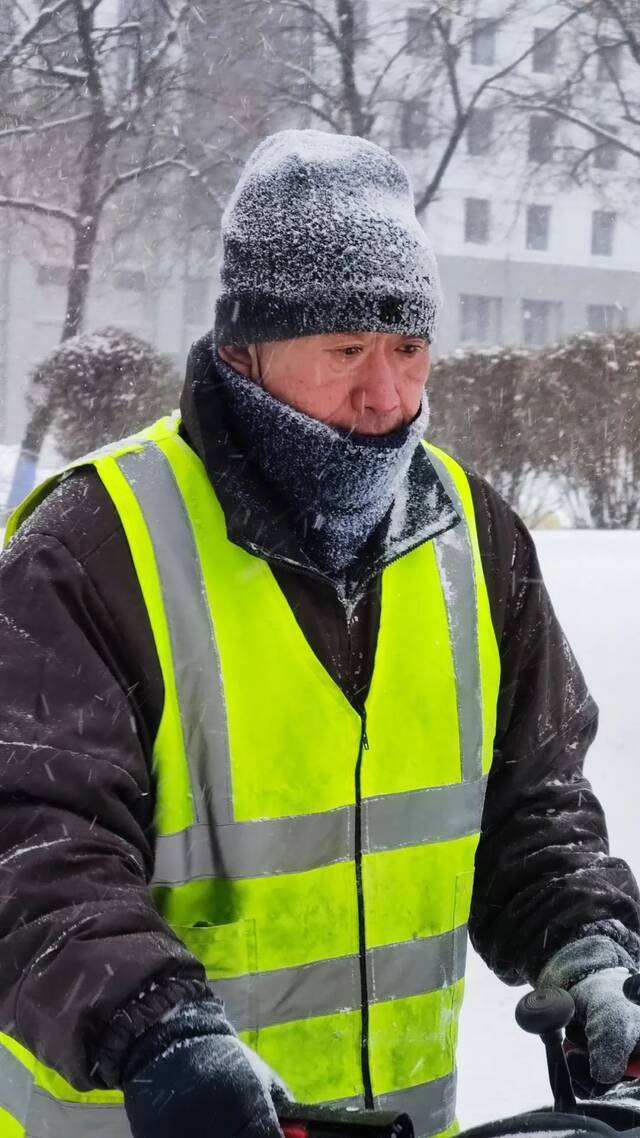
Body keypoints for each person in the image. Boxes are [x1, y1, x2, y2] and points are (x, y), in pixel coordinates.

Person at [0, 129, 639, 1138]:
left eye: (409, 348)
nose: (387, 396)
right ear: (242, 347)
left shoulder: (478, 538)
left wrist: (590, 950)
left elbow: (534, 808)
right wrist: (159, 1031)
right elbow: (31, 843)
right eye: (346, 350)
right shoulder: (91, 550)